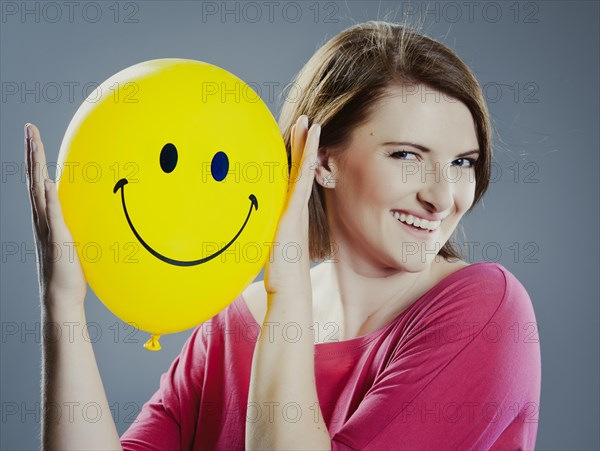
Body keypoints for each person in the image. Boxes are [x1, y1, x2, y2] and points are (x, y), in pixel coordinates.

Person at [27, 20, 541, 450]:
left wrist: (286, 293)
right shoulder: (234, 327)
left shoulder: (486, 311)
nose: (443, 196)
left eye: (462, 163)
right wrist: (64, 307)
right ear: (321, 160)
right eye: (407, 155)